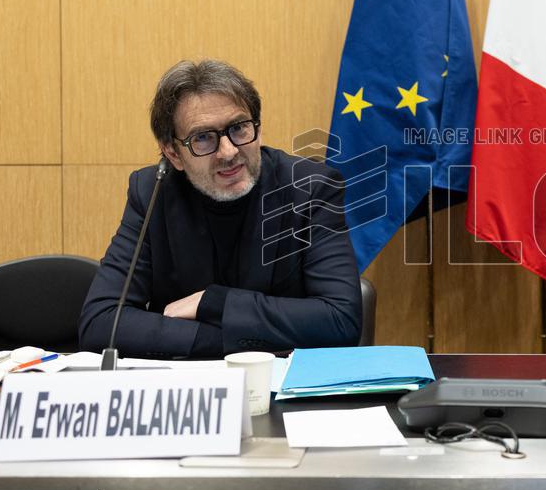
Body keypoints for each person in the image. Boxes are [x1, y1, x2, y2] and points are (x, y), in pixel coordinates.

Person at [79, 59, 362, 357]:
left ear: (259, 128)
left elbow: (340, 319)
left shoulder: (310, 188)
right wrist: (226, 341)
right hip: (189, 395)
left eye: (239, 128)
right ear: (173, 153)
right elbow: (100, 324)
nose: (228, 152)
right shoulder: (152, 193)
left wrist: (214, 303)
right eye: (203, 138)